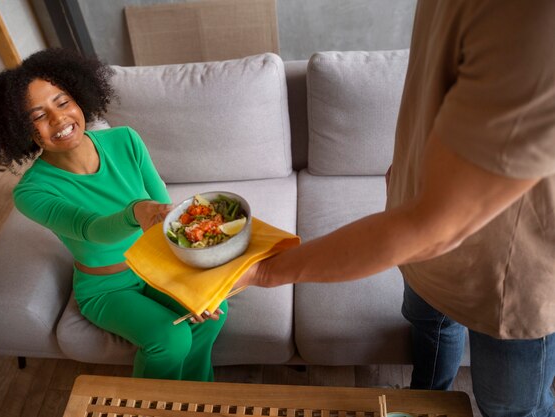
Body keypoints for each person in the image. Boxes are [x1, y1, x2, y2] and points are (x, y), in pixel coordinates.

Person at [236, 1, 555, 416]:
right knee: (429, 330)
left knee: (509, 407)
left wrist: (266, 270)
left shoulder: (536, 23)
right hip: (424, 238)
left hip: (512, 276)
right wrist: (404, 166)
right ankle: (425, 402)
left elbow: (432, 227)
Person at [0, 48, 227, 381]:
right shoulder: (31, 192)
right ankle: (148, 408)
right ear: (21, 130)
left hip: (156, 267)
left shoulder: (125, 140)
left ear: (79, 98)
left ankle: (195, 396)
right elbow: (90, 228)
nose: (59, 119)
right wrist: (136, 211)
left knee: (214, 312)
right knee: (170, 339)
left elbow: (166, 217)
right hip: (107, 289)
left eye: (62, 102)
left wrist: (191, 274)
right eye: (38, 116)